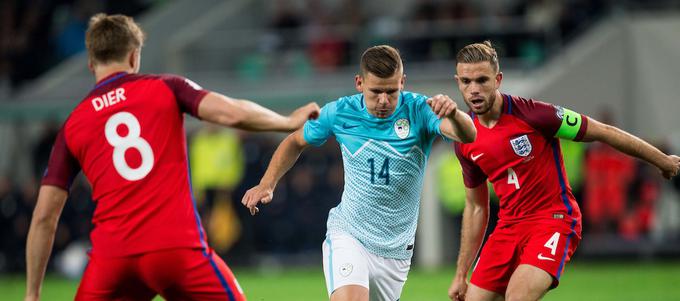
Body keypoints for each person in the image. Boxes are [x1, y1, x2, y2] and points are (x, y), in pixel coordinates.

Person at [25, 13, 320, 301]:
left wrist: (32, 293)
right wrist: (286, 121)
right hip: (176, 250)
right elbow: (230, 112)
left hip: (112, 260)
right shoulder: (165, 87)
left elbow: (43, 218)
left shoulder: (73, 125)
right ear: (133, 56)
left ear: (90, 63)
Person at [447, 41, 680, 301]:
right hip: (508, 227)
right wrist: (460, 273)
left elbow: (603, 131)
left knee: (517, 297)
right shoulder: (464, 138)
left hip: (553, 219)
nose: (474, 90)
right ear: (458, 82)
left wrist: (662, 160)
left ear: (498, 79)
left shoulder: (535, 115)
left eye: (482, 80)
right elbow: (477, 207)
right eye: (466, 82)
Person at [241, 45, 477, 301]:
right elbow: (295, 141)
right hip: (350, 235)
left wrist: (454, 113)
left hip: (396, 251)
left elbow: (468, 134)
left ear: (403, 82)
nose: (384, 100)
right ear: (359, 83)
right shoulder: (340, 112)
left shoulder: (420, 110)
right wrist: (267, 183)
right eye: (376, 92)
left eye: (392, 91)